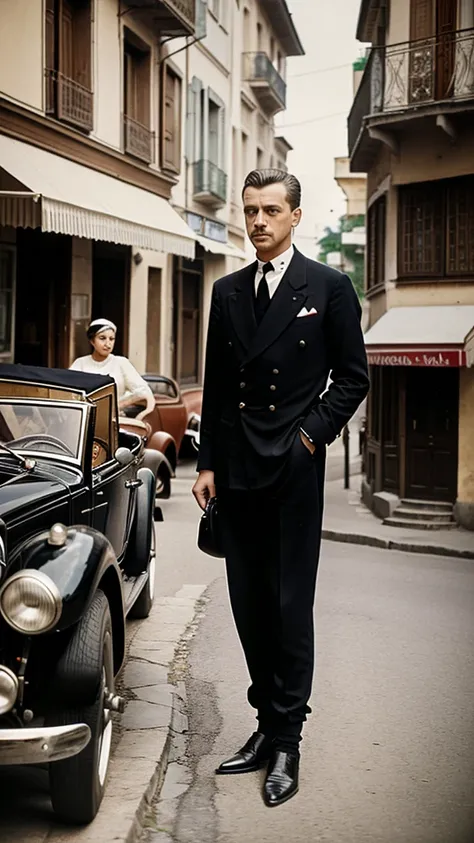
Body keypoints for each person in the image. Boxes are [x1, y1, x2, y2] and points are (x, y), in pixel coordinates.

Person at [192, 169, 369, 808]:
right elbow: (216, 386)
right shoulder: (228, 291)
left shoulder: (329, 287)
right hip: (237, 473)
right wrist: (208, 462)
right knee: (249, 608)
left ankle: (288, 739)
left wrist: (309, 438)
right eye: (251, 210)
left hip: (293, 472)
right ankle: (267, 725)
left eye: (271, 210)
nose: (258, 221)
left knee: (290, 607)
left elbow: (352, 380)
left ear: (296, 216)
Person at [70, 318, 154, 420]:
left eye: (111, 339)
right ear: (92, 341)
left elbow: (144, 392)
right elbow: (69, 393)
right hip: (85, 419)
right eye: (102, 338)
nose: (107, 343)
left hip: (115, 420)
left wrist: (119, 405)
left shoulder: (121, 363)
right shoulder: (80, 364)